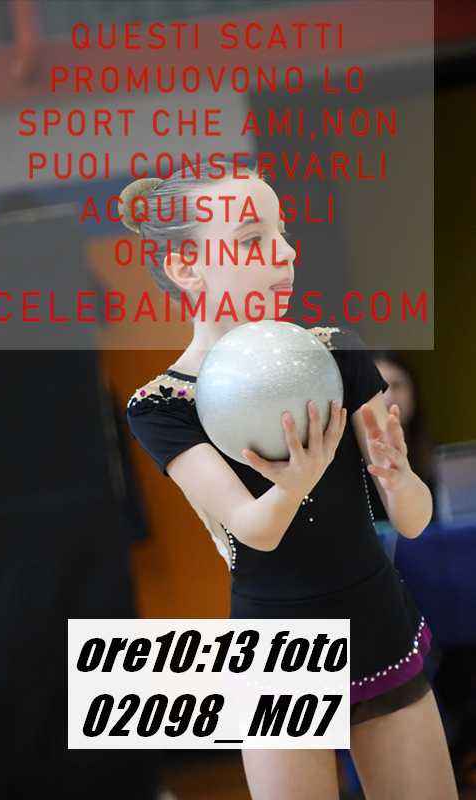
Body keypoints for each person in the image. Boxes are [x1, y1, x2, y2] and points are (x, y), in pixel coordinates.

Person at [123, 162, 457, 799]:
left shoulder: (336, 352)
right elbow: (255, 531)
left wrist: (398, 479)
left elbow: (412, 521)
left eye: (282, 233)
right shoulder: (162, 405)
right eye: (252, 239)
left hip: (376, 624)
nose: (283, 252)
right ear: (186, 267)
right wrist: (296, 481)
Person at [368, 351, 438, 523]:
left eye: (397, 385)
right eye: (380, 389)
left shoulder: (432, 452)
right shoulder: (355, 459)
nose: (389, 397)